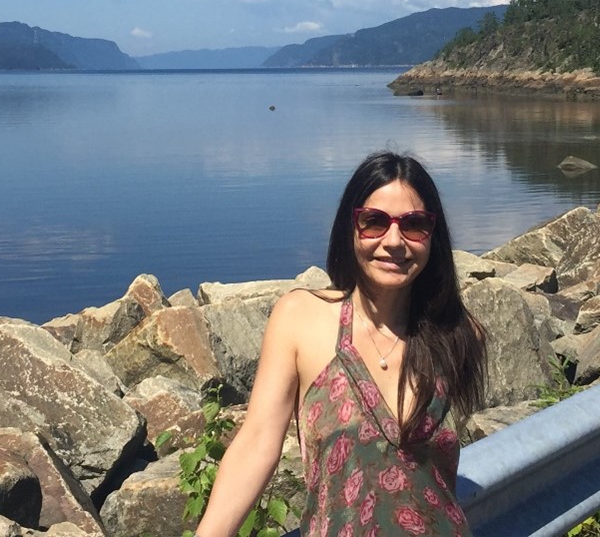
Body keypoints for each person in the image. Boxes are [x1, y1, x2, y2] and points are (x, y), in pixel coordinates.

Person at [196, 151, 488, 536]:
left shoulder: (459, 335)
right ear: (350, 228)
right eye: (374, 222)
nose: (394, 241)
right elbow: (256, 442)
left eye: (415, 225)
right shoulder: (301, 319)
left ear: (433, 237)